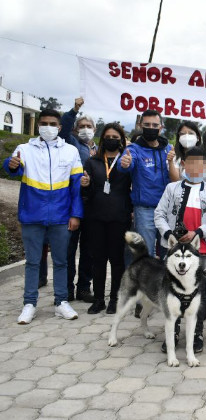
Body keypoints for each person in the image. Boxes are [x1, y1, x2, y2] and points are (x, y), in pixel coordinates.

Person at [4, 108, 82, 324]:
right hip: (32, 214)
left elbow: (76, 187)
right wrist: (10, 166)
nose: (48, 127)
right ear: (38, 125)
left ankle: (61, 302)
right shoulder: (24, 149)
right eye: (44, 123)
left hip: (60, 216)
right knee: (32, 262)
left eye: (52, 124)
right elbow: (13, 168)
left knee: (61, 261)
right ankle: (29, 304)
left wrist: (76, 215)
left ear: (60, 127)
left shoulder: (70, 151)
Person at [154, 147, 206, 353]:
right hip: (175, 252)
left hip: (199, 251)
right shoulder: (172, 188)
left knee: (197, 294)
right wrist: (168, 236)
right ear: (183, 164)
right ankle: (172, 332)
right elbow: (159, 215)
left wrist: (197, 232)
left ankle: (196, 332)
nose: (194, 167)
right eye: (190, 163)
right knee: (172, 292)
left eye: (199, 164)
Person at [80, 123, 132, 314]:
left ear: (121, 140)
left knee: (117, 260)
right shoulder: (92, 162)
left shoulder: (126, 162)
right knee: (98, 260)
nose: (112, 140)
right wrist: (85, 184)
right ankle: (99, 298)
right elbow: (86, 192)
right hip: (96, 217)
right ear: (102, 140)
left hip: (119, 217)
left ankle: (114, 299)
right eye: (108, 137)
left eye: (115, 137)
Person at [117, 109, 173, 258]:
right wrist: (124, 163)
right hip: (145, 210)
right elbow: (125, 165)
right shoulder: (133, 149)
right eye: (147, 124)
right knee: (146, 254)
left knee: (169, 254)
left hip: (168, 210)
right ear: (141, 126)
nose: (151, 128)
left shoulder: (168, 149)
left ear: (161, 127)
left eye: (155, 125)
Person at [59, 97, 96, 303]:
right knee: (68, 249)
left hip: (92, 206)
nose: (85, 129)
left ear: (94, 129)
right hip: (72, 204)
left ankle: (84, 287)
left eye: (88, 126)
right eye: (81, 126)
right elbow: (63, 129)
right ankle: (66, 288)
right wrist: (74, 110)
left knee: (88, 251)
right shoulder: (71, 143)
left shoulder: (98, 150)